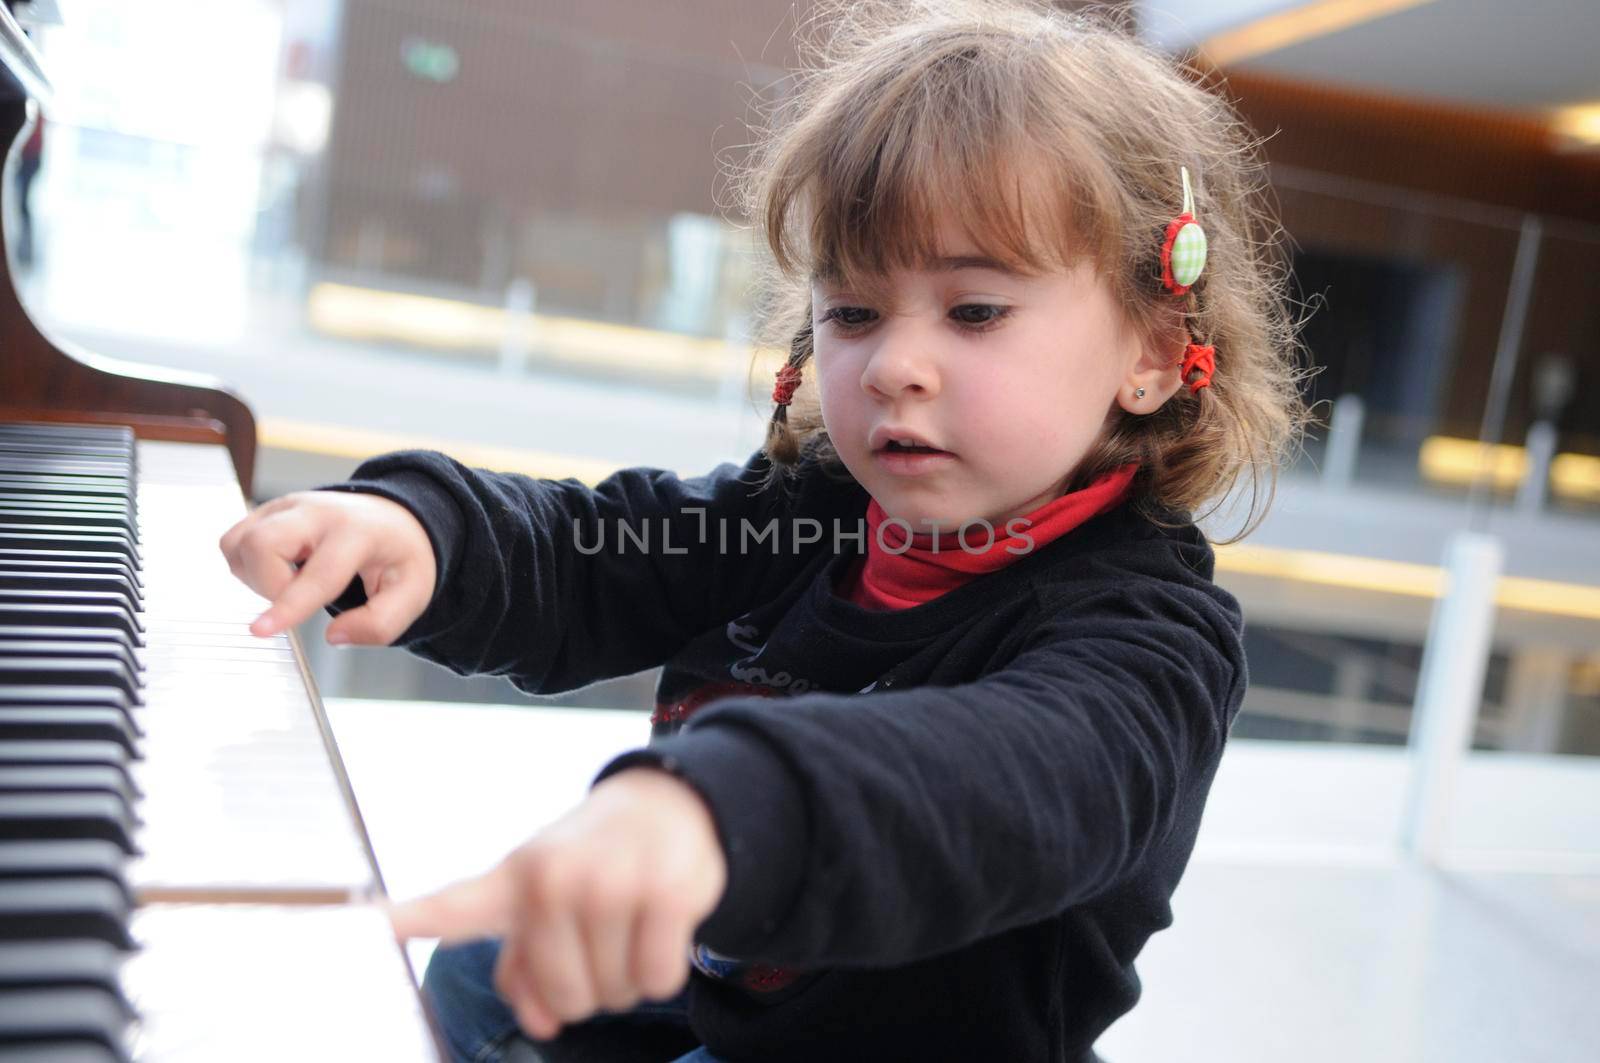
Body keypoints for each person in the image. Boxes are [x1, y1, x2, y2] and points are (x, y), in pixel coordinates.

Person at [219, 1, 1310, 1060]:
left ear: (1156, 352)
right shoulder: (807, 517)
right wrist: (430, 531)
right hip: (728, 994)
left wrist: (718, 810)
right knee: (482, 965)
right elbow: (599, 550)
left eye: (974, 310)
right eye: (853, 311)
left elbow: (1005, 780)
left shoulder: (1151, 636)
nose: (893, 364)